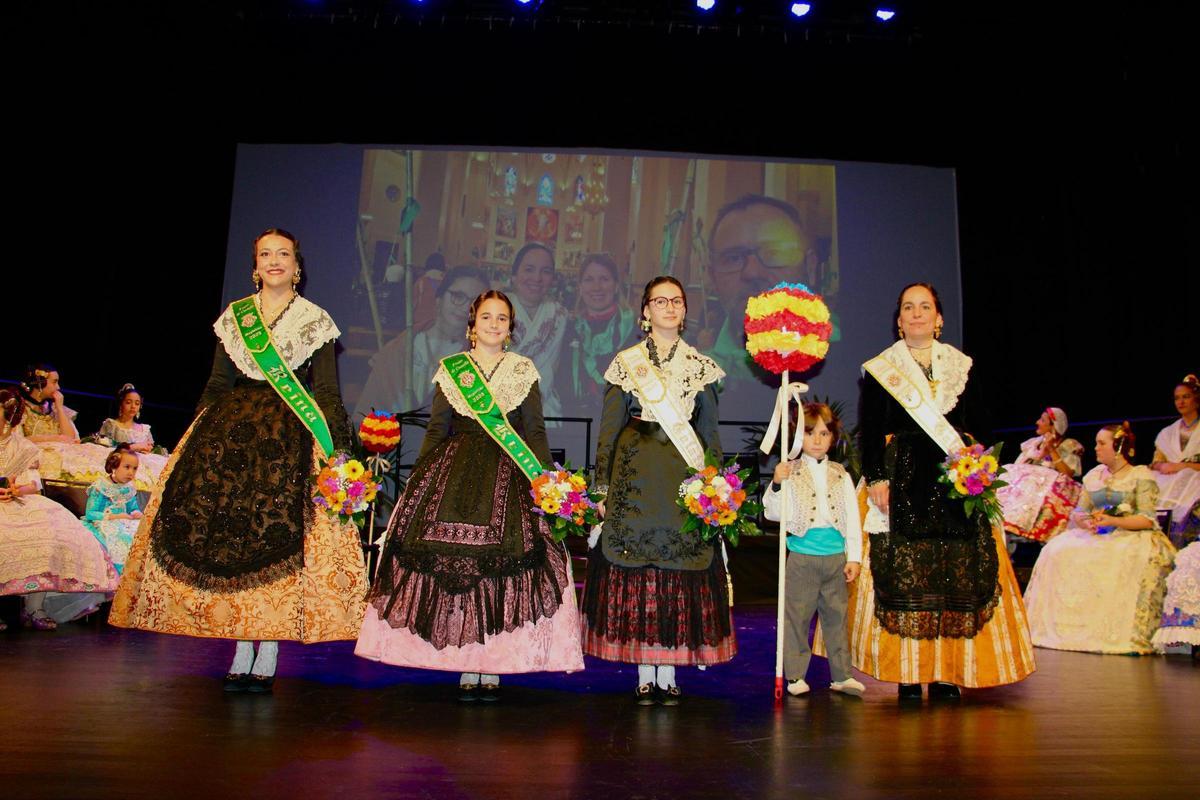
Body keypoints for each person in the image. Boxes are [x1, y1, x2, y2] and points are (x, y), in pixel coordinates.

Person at [109, 228, 367, 693]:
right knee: (232, 540)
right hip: (230, 437)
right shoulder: (235, 318)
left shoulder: (316, 320)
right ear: (254, 265)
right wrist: (192, 440)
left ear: (297, 264)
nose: (274, 261)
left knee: (275, 539)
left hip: (288, 440)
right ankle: (239, 645)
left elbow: (327, 392)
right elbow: (217, 383)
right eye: (265, 254)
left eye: (283, 254)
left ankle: (267, 644)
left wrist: (337, 453)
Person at [356, 290, 583, 700]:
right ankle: (464, 664)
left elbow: (534, 432)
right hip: (454, 472)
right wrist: (417, 482)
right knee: (455, 568)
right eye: (486, 317)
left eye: (502, 318)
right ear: (471, 326)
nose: (494, 324)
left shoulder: (522, 369)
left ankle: (492, 663)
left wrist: (548, 480)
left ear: (511, 329)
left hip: (509, 473)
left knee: (498, 570)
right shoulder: (452, 370)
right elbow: (436, 430)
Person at [857, 282, 1035, 699]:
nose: (917, 313)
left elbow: (983, 426)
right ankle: (908, 672)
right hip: (902, 479)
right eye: (908, 307)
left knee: (951, 575)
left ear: (938, 319)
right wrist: (877, 479)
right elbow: (869, 431)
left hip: (955, 481)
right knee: (908, 578)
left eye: (925, 307)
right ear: (899, 322)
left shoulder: (962, 365)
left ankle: (943, 673)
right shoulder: (882, 368)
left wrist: (980, 469)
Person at [580, 276, 734, 705]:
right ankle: (645, 671)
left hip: (681, 482)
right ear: (644, 311)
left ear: (685, 311)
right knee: (641, 569)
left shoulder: (701, 366)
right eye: (659, 301)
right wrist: (603, 488)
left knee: (676, 570)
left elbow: (710, 436)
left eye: (677, 301)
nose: (669, 307)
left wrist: (713, 488)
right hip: (635, 477)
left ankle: (669, 670)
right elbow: (609, 432)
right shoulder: (626, 362)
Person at [1023, 423, 1176, 654]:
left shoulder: (1139, 475)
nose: (1096, 448)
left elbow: (1146, 519)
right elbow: (1078, 511)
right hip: (1095, 533)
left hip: (1130, 534)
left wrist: (1114, 521)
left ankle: (1115, 630)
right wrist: (1084, 520)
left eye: (1101, 443)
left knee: (1120, 555)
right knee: (1056, 550)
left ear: (1118, 447)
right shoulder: (1094, 476)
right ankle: (1059, 627)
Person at [763, 402, 865, 697]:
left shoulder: (840, 474)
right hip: (803, 558)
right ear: (798, 437)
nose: (817, 440)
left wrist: (854, 557)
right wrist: (777, 483)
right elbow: (772, 513)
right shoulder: (790, 471)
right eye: (809, 434)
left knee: (836, 618)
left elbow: (852, 518)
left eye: (823, 433)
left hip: (835, 557)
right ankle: (795, 676)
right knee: (797, 617)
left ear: (833, 437)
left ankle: (842, 675)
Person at [0, 389, 117, 631]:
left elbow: (34, 483)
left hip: (16, 499)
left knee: (52, 531)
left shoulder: (23, 447)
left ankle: (34, 607)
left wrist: (16, 490)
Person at [704, 195, 820, 400]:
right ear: (713, 277)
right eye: (733, 258)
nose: (752, 272)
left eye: (773, 253)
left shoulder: (852, 365)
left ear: (810, 267)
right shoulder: (691, 379)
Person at [353, 265, 488, 419]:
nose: (466, 307)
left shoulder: (478, 361)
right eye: (458, 296)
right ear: (439, 299)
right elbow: (369, 409)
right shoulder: (400, 348)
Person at [560, 253, 637, 409]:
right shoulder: (570, 328)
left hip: (621, 421)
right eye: (589, 280)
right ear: (580, 287)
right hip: (574, 421)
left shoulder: (635, 328)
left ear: (616, 286)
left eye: (604, 279)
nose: (597, 287)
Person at [997, 407, 1084, 544]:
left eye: (1043, 420)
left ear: (1053, 426)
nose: (1037, 422)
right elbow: (1019, 466)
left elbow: (1068, 474)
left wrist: (1051, 449)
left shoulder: (1068, 445)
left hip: (1050, 490)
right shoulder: (1033, 443)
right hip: (1029, 488)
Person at [507, 243, 567, 422]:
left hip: (545, 407)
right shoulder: (494, 309)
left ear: (553, 280)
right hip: (499, 408)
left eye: (546, 271)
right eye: (529, 269)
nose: (537, 278)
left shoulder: (559, 314)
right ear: (514, 275)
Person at [1150, 374, 1200, 543]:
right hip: (1168, 479)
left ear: (1196, 399)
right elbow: (1155, 462)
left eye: (1186, 397)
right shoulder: (1167, 432)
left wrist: (1183, 466)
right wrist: (1162, 466)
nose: (1181, 402)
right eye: (1177, 398)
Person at [81, 446, 143, 574]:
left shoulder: (128, 488)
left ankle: (135, 574)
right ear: (114, 466)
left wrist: (136, 513)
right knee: (120, 539)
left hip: (125, 522)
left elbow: (133, 507)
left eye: (134, 468)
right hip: (104, 522)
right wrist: (116, 517)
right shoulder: (101, 486)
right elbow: (90, 513)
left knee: (141, 535)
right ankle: (119, 575)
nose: (131, 472)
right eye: (127, 467)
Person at [18, 363, 79, 443]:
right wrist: (52, 438)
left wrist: (60, 409)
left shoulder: (54, 408)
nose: (58, 387)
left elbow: (71, 439)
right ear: (40, 383)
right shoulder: (21, 409)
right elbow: (16, 442)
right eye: (54, 382)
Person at [97, 384, 157, 454]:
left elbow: (150, 449)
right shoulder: (111, 425)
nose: (133, 406)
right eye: (128, 402)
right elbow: (102, 447)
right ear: (121, 404)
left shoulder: (145, 430)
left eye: (137, 403)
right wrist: (134, 447)